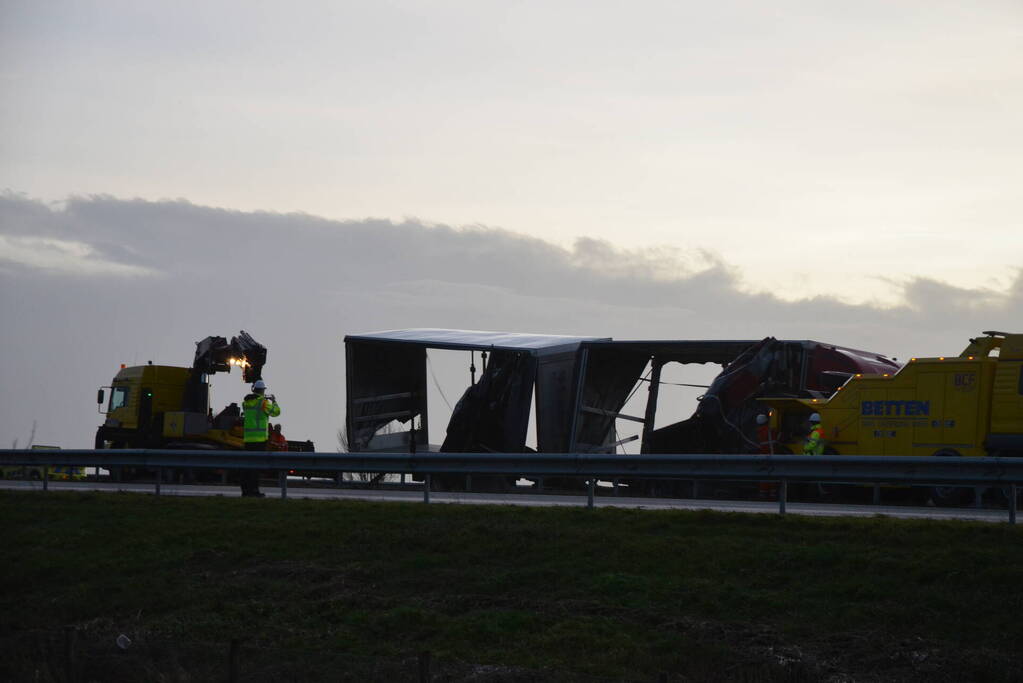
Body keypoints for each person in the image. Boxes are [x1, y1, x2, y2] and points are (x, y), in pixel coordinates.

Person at [240, 379, 281, 497]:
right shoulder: (263, 403)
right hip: (259, 441)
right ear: (262, 391)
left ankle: (245, 491)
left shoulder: (246, 403)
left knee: (247, 467)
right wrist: (274, 401)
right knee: (256, 468)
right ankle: (254, 491)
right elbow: (276, 412)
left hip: (248, 440)